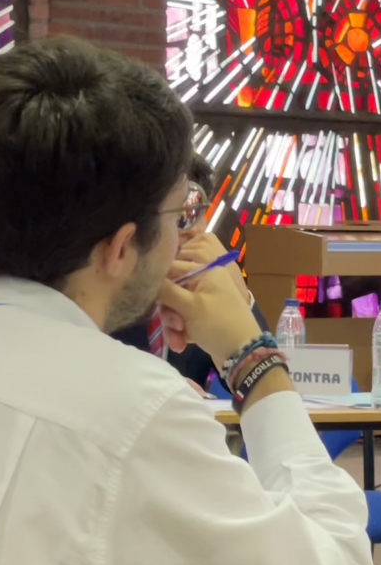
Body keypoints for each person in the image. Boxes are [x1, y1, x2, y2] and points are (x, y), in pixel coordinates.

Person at [0, 38, 378, 565]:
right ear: (119, 247)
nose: (182, 237)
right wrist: (254, 359)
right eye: (178, 215)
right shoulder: (135, 412)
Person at [109, 154, 268, 393]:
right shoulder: (106, 288)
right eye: (179, 217)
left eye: (198, 213)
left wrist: (241, 297)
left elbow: (261, 388)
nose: (193, 231)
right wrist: (151, 388)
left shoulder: (203, 291)